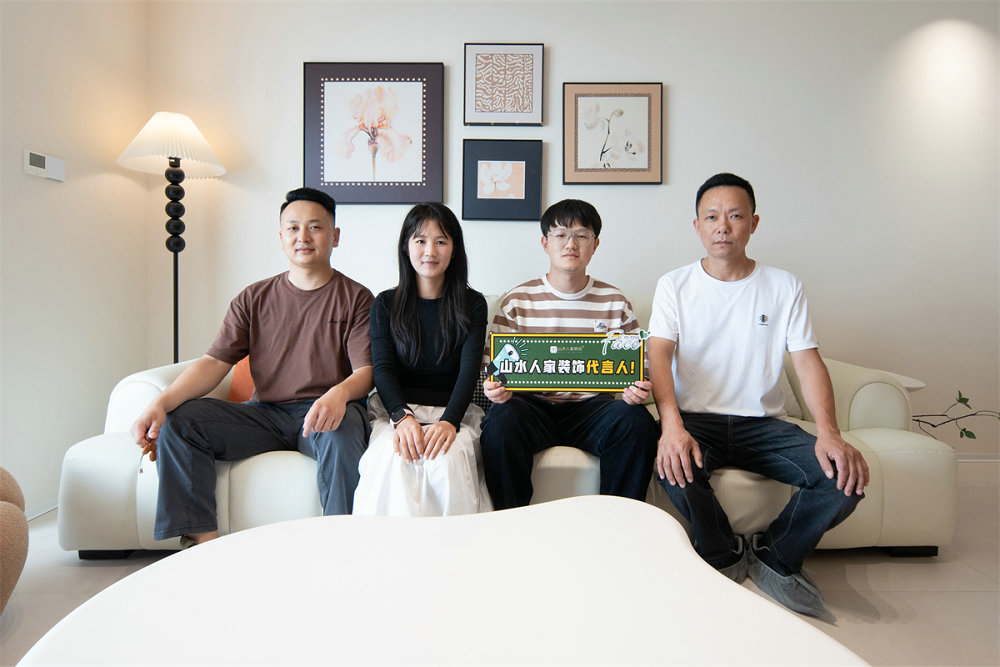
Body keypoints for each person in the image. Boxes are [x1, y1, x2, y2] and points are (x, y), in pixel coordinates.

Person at [648, 172, 869, 622]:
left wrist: (829, 433)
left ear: (753, 223)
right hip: (697, 422)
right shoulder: (675, 284)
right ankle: (722, 552)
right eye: (712, 217)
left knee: (843, 478)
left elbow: (808, 362)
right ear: (697, 226)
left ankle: (775, 554)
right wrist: (671, 426)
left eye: (735, 216)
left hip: (763, 425)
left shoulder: (784, 285)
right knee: (673, 469)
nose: (723, 226)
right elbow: (658, 357)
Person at [129, 187, 374, 546]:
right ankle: (204, 545)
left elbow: (365, 372)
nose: (303, 237)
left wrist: (338, 395)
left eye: (315, 227)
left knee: (342, 428)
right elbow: (215, 363)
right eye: (293, 228)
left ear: (334, 236)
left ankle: (340, 543)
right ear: (281, 237)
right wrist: (161, 402)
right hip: (264, 415)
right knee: (181, 421)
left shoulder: (357, 298)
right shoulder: (253, 298)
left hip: (324, 413)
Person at [480, 199, 658, 509]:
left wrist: (635, 390)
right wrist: (495, 389)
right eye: (560, 235)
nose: (570, 244)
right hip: (532, 406)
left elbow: (637, 370)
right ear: (545, 243)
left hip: (593, 410)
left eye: (581, 235)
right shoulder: (517, 301)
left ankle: (620, 521)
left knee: (636, 421)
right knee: (500, 419)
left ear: (595, 244)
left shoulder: (615, 302)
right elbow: (492, 369)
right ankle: (509, 522)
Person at [353, 203, 491, 516]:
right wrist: (402, 418)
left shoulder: (472, 304)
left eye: (441, 241)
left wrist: (449, 422)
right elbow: (383, 369)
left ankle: (453, 543)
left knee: (446, 460)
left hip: (452, 413)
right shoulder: (385, 304)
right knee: (394, 457)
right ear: (406, 246)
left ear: (454, 249)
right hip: (398, 412)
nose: (430, 251)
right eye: (420, 240)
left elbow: (469, 370)